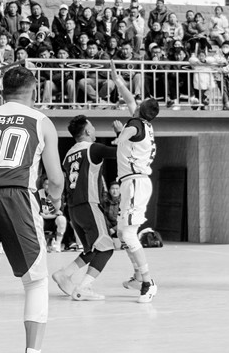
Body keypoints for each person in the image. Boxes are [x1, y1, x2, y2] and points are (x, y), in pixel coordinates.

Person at [0, 66, 63, 353]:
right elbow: (55, 180)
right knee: (35, 281)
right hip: (15, 194)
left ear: (3, 92)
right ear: (33, 91)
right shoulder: (41, 120)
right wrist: (55, 201)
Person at [51, 115, 118, 301]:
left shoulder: (68, 155)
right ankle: (83, 288)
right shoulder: (93, 148)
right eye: (93, 126)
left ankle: (64, 273)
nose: (94, 129)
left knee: (91, 250)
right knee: (106, 248)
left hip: (73, 209)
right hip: (89, 204)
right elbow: (121, 153)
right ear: (87, 131)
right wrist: (121, 134)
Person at [108, 60, 160, 303]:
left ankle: (148, 282)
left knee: (128, 234)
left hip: (136, 183)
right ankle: (139, 276)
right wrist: (117, 79)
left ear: (141, 108)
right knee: (122, 232)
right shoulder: (143, 122)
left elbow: (128, 133)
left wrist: (119, 136)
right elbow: (128, 98)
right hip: (133, 182)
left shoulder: (135, 125)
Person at [38, 179, 67, 253]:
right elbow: (42, 214)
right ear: (43, 185)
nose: (49, 187)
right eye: (46, 184)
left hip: (54, 222)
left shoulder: (58, 194)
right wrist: (54, 214)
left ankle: (57, 244)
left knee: (62, 219)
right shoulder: (39, 194)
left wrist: (49, 214)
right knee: (38, 218)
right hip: (42, 221)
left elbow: (60, 213)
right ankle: (41, 244)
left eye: (51, 184)